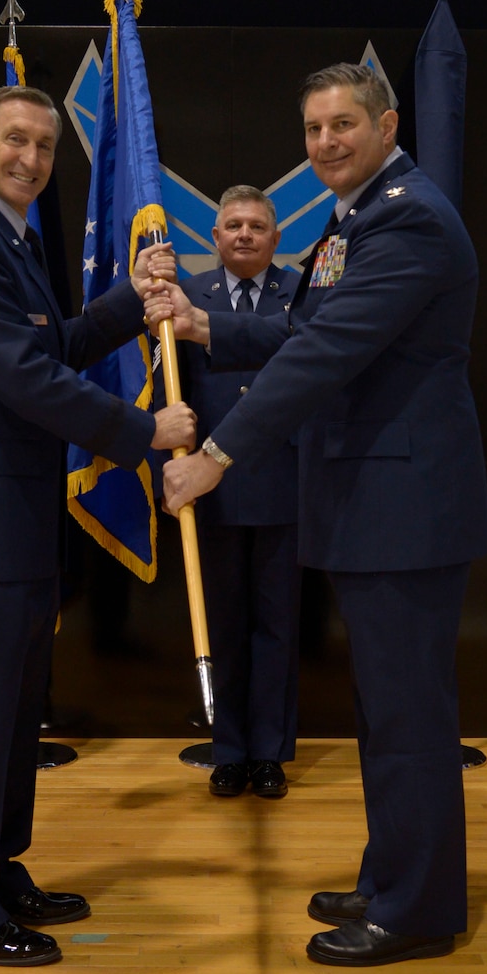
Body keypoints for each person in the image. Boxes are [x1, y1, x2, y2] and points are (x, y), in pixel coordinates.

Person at [161, 63, 487, 967]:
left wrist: (218, 458)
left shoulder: (407, 216)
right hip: (377, 504)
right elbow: (306, 328)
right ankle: (392, 878)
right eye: (312, 129)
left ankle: (415, 912)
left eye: (343, 124)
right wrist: (202, 328)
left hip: (404, 509)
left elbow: (326, 354)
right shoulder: (366, 214)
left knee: (409, 719)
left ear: (386, 125)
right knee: (385, 714)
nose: (326, 143)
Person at [0, 85, 193, 967]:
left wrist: (126, 302)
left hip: (15, 524)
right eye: (14, 142)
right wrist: (146, 434)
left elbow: (48, 347)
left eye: (42, 146)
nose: (29, 159)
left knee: (14, 714)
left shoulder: (10, 237)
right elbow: (25, 381)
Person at [176, 186, 302, 801]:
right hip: (213, 485)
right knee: (222, 623)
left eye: (257, 225)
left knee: (277, 626)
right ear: (215, 238)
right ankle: (228, 751)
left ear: (276, 238)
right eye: (233, 225)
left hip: (283, 480)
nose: (245, 234)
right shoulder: (186, 297)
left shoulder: (302, 293)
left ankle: (270, 753)